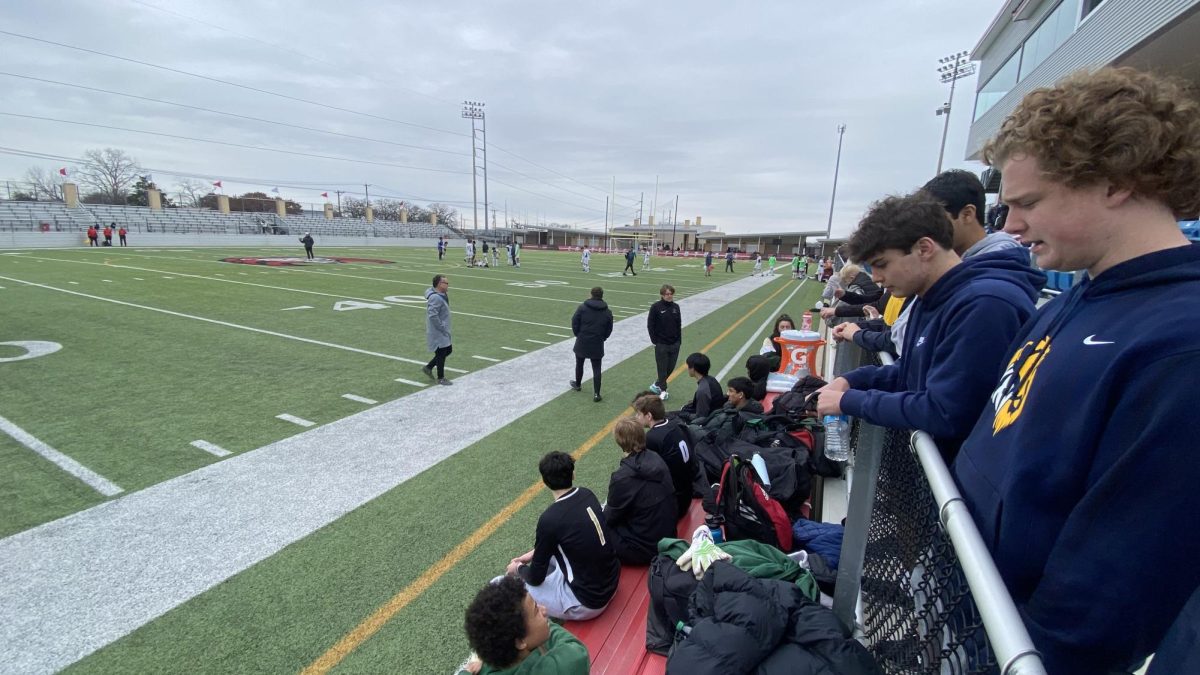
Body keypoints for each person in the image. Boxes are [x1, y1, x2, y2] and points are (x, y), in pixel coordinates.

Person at [950, 67, 1200, 675]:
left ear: (1115, 180)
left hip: (1020, 651)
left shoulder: (1181, 339)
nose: (1009, 226)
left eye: (1029, 203)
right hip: (973, 612)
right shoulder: (1072, 299)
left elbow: (1121, 571)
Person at [815, 191, 1043, 461]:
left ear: (924, 249)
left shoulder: (985, 305)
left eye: (881, 264)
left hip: (961, 481)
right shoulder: (931, 297)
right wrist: (852, 380)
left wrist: (849, 401)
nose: (876, 278)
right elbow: (914, 369)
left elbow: (947, 411)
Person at [505, 452, 620, 620]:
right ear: (573, 474)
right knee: (554, 557)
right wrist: (533, 554)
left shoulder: (550, 519)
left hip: (589, 602)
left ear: (545, 482)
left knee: (502, 583)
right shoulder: (587, 494)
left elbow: (535, 578)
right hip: (613, 582)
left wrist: (518, 568)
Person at [460, 575, 589, 675]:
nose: (544, 610)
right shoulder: (560, 667)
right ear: (520, 642)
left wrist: (466, 672)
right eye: (536, 611)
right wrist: (547, 625)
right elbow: (576, 650)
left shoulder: (485, 668)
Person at [602, 418, 677, 564]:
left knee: (597, 528)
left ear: (620, 442)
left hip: (645, 548)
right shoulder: (656, 458)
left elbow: (610, 517)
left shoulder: (622, 477)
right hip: (669, 534)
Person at [922, 169, 1022, 259]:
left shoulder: (996, 265)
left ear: (967, 214)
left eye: (936, 219)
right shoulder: (968, 262)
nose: (929, 229)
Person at [633, 391, 701, 519]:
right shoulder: (674, 425)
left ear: (648, 416)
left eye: (638, 414)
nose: (636, 417)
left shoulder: (652, 437)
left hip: (674, 504)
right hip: (687, 492)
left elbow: (645, 471)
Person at [569, 286, 613, 402]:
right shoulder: (607, 311)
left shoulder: (582, 308)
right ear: (602, 295)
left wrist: (578, 334)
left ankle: (578, 384)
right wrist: (603, 338)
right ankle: (597, 394)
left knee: (579, 363)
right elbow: (609, 328)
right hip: (597, 342)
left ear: (591, 294)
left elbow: (574, 321)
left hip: (582, 340)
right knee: (597, 368)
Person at [647, 284, 681, 400]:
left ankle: (657, 384)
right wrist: (654, 341)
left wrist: (679, 341)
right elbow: (650, 325)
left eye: (671, 293)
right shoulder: (655, 307)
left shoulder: (676, 307)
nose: (669, 296)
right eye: (667, 294)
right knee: (662, 368)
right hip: (661, 344)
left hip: (674, 344)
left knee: (670, 368)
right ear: (662, 295)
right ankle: (663, 390)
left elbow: (678, 325)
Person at [422, 274, 454, 385]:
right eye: (446, 283)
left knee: (448, 350)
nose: (448, 285)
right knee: (441, 352)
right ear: (440, 284)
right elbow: (432, 315)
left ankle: (429, 367)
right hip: (438, 330)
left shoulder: (442, 293)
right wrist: (441, 326)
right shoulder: (435, 297)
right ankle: (441, 377)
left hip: (443, 329)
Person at [675, 352, 725, 422]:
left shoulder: (702, 390)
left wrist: (685, 414)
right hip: (714, 413)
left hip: (707, 420)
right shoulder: (711, 379)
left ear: (693, 369)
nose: (687, 369)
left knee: (669, 416)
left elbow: (700, 417)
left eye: (689, 366)